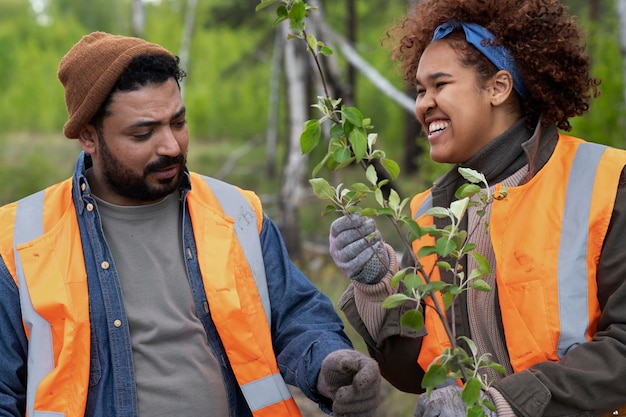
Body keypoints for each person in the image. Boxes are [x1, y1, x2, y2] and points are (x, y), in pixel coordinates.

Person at [0, 31, 382, 417]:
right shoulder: (19, 239)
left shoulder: (237, 213)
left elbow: (295, 317)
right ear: (88, 137)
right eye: (143, 132)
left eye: (178, 122)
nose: (170, 146)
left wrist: (326, 363)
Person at [328, 0, 626, 416]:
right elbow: (415, 372)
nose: (423, 104)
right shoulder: (429, 214)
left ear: (498, 88)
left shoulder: (606, 181)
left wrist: (504, 405)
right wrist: (377, 286)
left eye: (440, 84)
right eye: (419, 90)